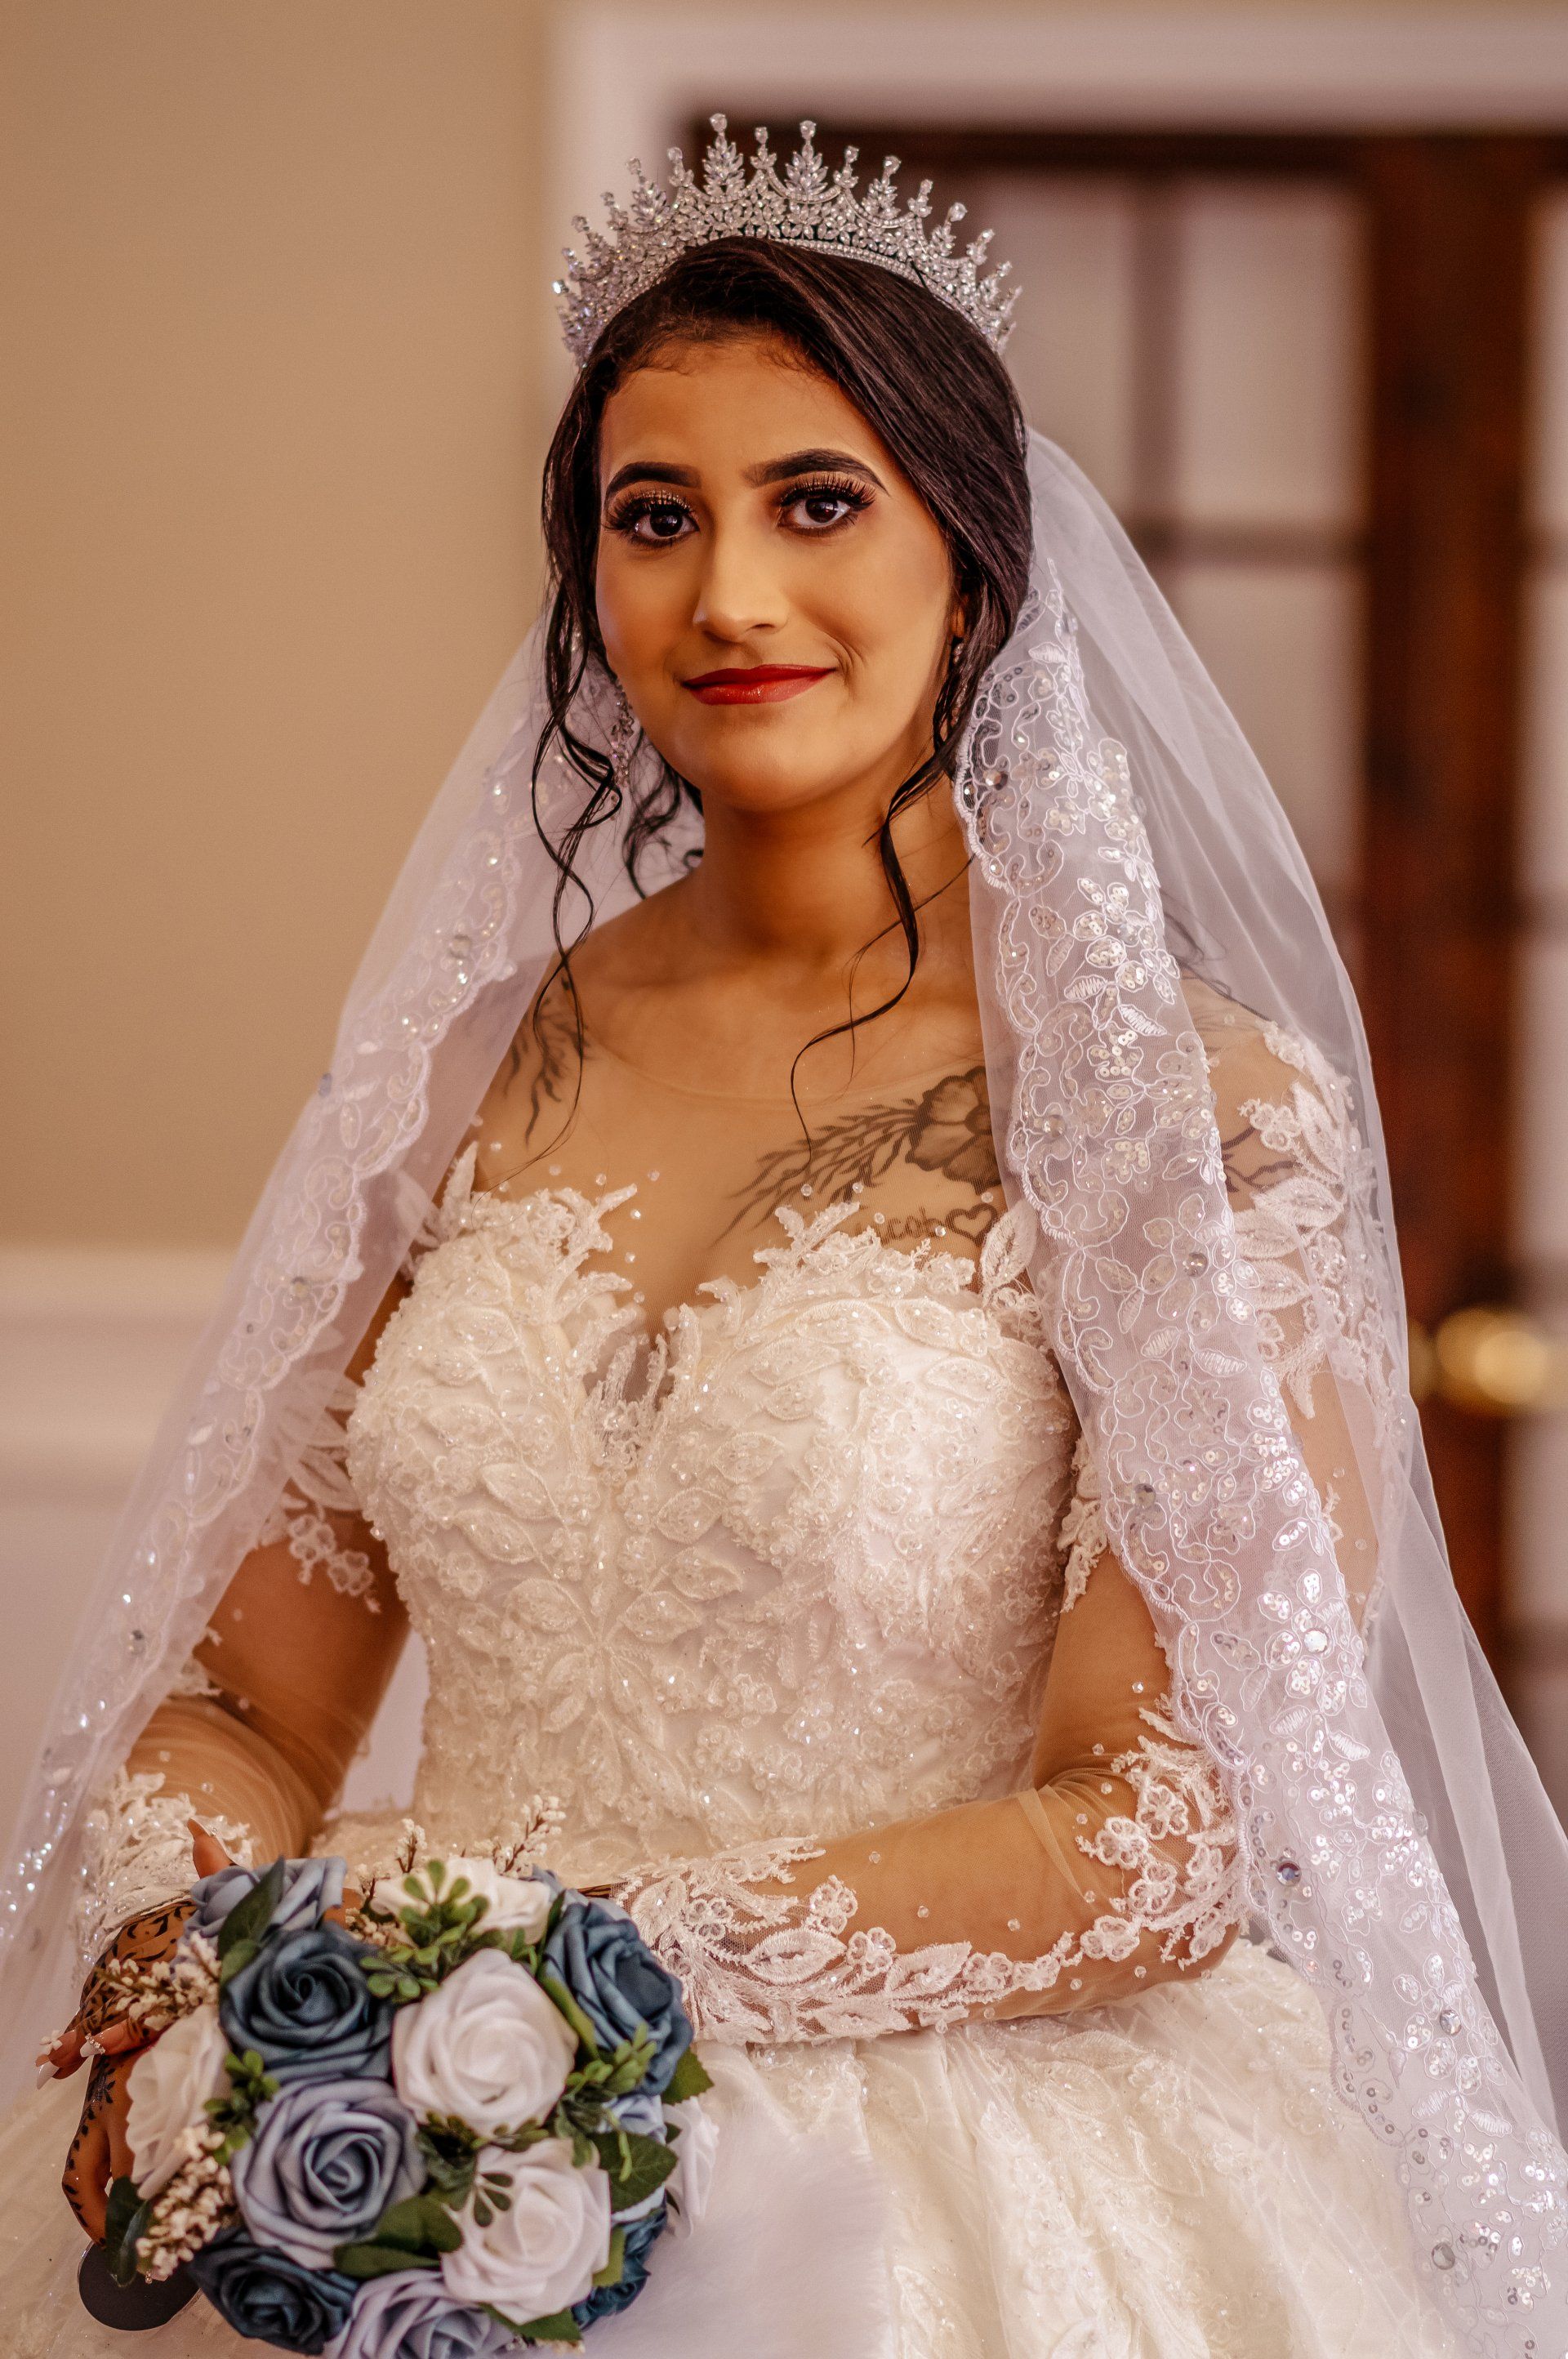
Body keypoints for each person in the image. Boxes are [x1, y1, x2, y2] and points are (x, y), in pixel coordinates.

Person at [1, 118, 1565, 2357]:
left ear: (978, 566)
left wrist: (553, 1968)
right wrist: (215, 1937)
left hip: (957, 2203)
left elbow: (1160, 1833)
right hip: (391, 2159)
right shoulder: (465, 1075)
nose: (730, 596)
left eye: (815, 504)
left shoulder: (1189, 1123)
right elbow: (254, 1693)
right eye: (657, 522)